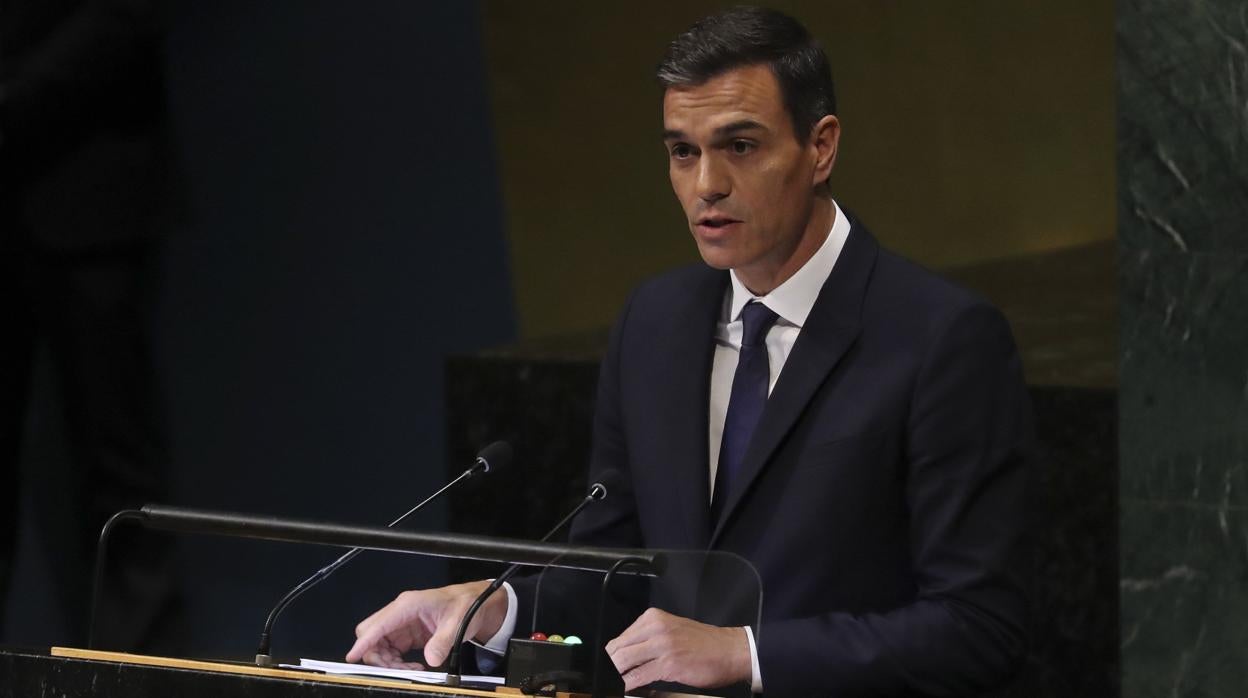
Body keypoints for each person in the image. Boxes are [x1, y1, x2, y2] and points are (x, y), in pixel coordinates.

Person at [347, 7, 1034, 696]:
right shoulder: (655, 324)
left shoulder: (940, 337)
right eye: (683, 151)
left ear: (821, 148)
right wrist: (497, 609)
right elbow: (615, 579)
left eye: (740, 146)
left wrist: (748, 654)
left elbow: (979, 626)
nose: (707, 185)